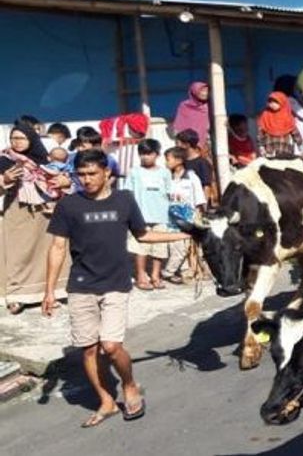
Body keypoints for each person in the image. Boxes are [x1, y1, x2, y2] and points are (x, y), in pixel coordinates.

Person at [42, 148, 192, 427]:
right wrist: (49, 291)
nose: (86, 180)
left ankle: (130, 384)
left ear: (107, 173)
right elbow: (57, 247)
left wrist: (184, 233)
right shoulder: (69, 205)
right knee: (88, 349)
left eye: (92, 174)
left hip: (115, 283)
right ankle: (106, 401)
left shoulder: (124, 200)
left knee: (110, 346)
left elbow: (143, 234)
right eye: (81, 174)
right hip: (81, 285)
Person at [1, 124, 70, 314]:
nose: (17, 142)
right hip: (18, 211)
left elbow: (64, 180)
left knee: (47, 251)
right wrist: (5, 180)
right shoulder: (5, 160)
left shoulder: (44, 159)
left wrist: (64, 182)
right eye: (14, 138)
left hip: (45, 211)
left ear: (31, 139)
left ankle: (50, 291)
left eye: (22, 138)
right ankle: (17, 295)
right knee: (18, 254)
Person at [121, 139, 171, 291]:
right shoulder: (134, 172)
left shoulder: (165, 172)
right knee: (140, 247)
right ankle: (141, 275)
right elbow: (128, 192)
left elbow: (169, 193)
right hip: (141, 215)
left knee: (159, 248)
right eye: (142, 154)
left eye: (148, 153)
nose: (145, 157)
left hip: (161, 215)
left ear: (156, 154)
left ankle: (156, 275)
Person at [161, 147, 205, 284]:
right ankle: (181, 272)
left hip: (187, 218)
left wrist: (198, 217)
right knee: (176, 247)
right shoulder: (166, 178)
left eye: (168, 159)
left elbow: (199, 199)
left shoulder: (191, 177)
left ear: (179, 160)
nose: (166, 163)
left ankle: (168, 272)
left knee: (184, 247)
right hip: (170, 220)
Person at [173, 129, 215, 204]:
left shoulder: (202, 163)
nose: (176, 146)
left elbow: (206, 187)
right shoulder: (181, 162)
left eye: (178, 143)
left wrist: (203, 206)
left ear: (187, 145)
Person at [257, 91, 302, 158]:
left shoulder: (287, 116)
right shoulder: (265, 115)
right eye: (270, 102)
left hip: (285, 149)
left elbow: (294, 131)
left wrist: (300, 144)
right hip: (270, 150)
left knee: (284, 167)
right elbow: (260, 132)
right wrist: (261, 146)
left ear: (282, 102)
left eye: (275, 102)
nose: (272, 104)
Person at [172, 81, 210, 147]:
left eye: (207, 91)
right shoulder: (185, 105)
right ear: (194, 91)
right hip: (187, 141)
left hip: (206, 141)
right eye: (202, 91)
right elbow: (180, 124)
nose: (205, 94)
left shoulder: (210, 105)